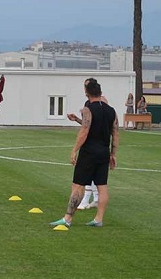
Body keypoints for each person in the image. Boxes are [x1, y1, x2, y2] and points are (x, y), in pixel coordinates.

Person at [50, 79, 118, 228]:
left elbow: (85, 131)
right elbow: (115, 133)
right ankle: (99, 219)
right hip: (103, 153)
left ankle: (67, 218)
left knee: (77, 186)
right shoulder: (111, 111)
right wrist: (113, 154)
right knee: (102, 186)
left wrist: (74, 150)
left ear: (87, 92)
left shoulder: (88, 109)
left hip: (89, 153)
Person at [67, 78, 109, 209]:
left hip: (92, 147)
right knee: (100, 182)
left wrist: (74, 150)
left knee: (82, 179)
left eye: (86, 86)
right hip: (102, 148)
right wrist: (77, 119)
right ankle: (97, 211)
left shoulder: (101, 104)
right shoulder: (90, 104)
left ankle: (82, 203)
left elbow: (87, 129)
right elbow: (89, 125)